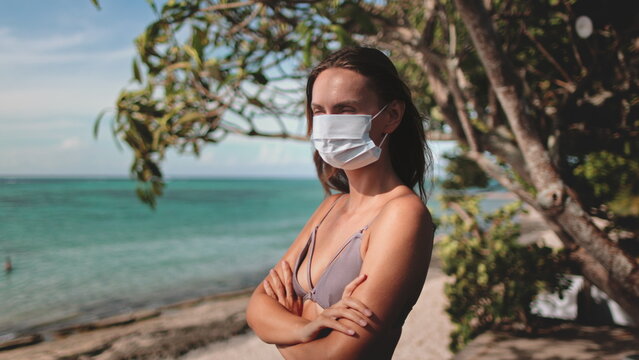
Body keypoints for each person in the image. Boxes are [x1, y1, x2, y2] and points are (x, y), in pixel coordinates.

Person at [246, 46, 435, 359]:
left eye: (345, 110)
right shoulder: (330, 206)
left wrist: (280, 333)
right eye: (319, 111)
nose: (327, 124)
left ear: (391, 116)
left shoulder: (403, 214)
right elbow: (256, 307)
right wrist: (306, 329)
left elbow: (338, 354)